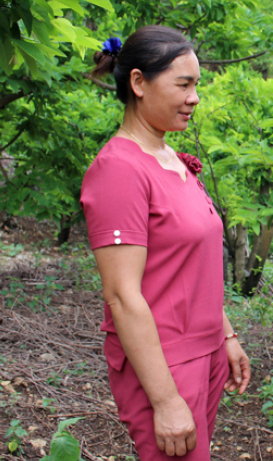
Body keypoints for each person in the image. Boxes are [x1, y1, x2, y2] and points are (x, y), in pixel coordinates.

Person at [80, 26, 251, 460]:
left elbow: (190, 264)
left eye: (197, 85)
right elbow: (121, 295)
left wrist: (225, 333)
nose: (195, 97)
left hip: (205, 352)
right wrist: (165, 400)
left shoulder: (171, 159)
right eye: (184, 84)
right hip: (164, 365)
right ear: (138, 83)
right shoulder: (119, 170)